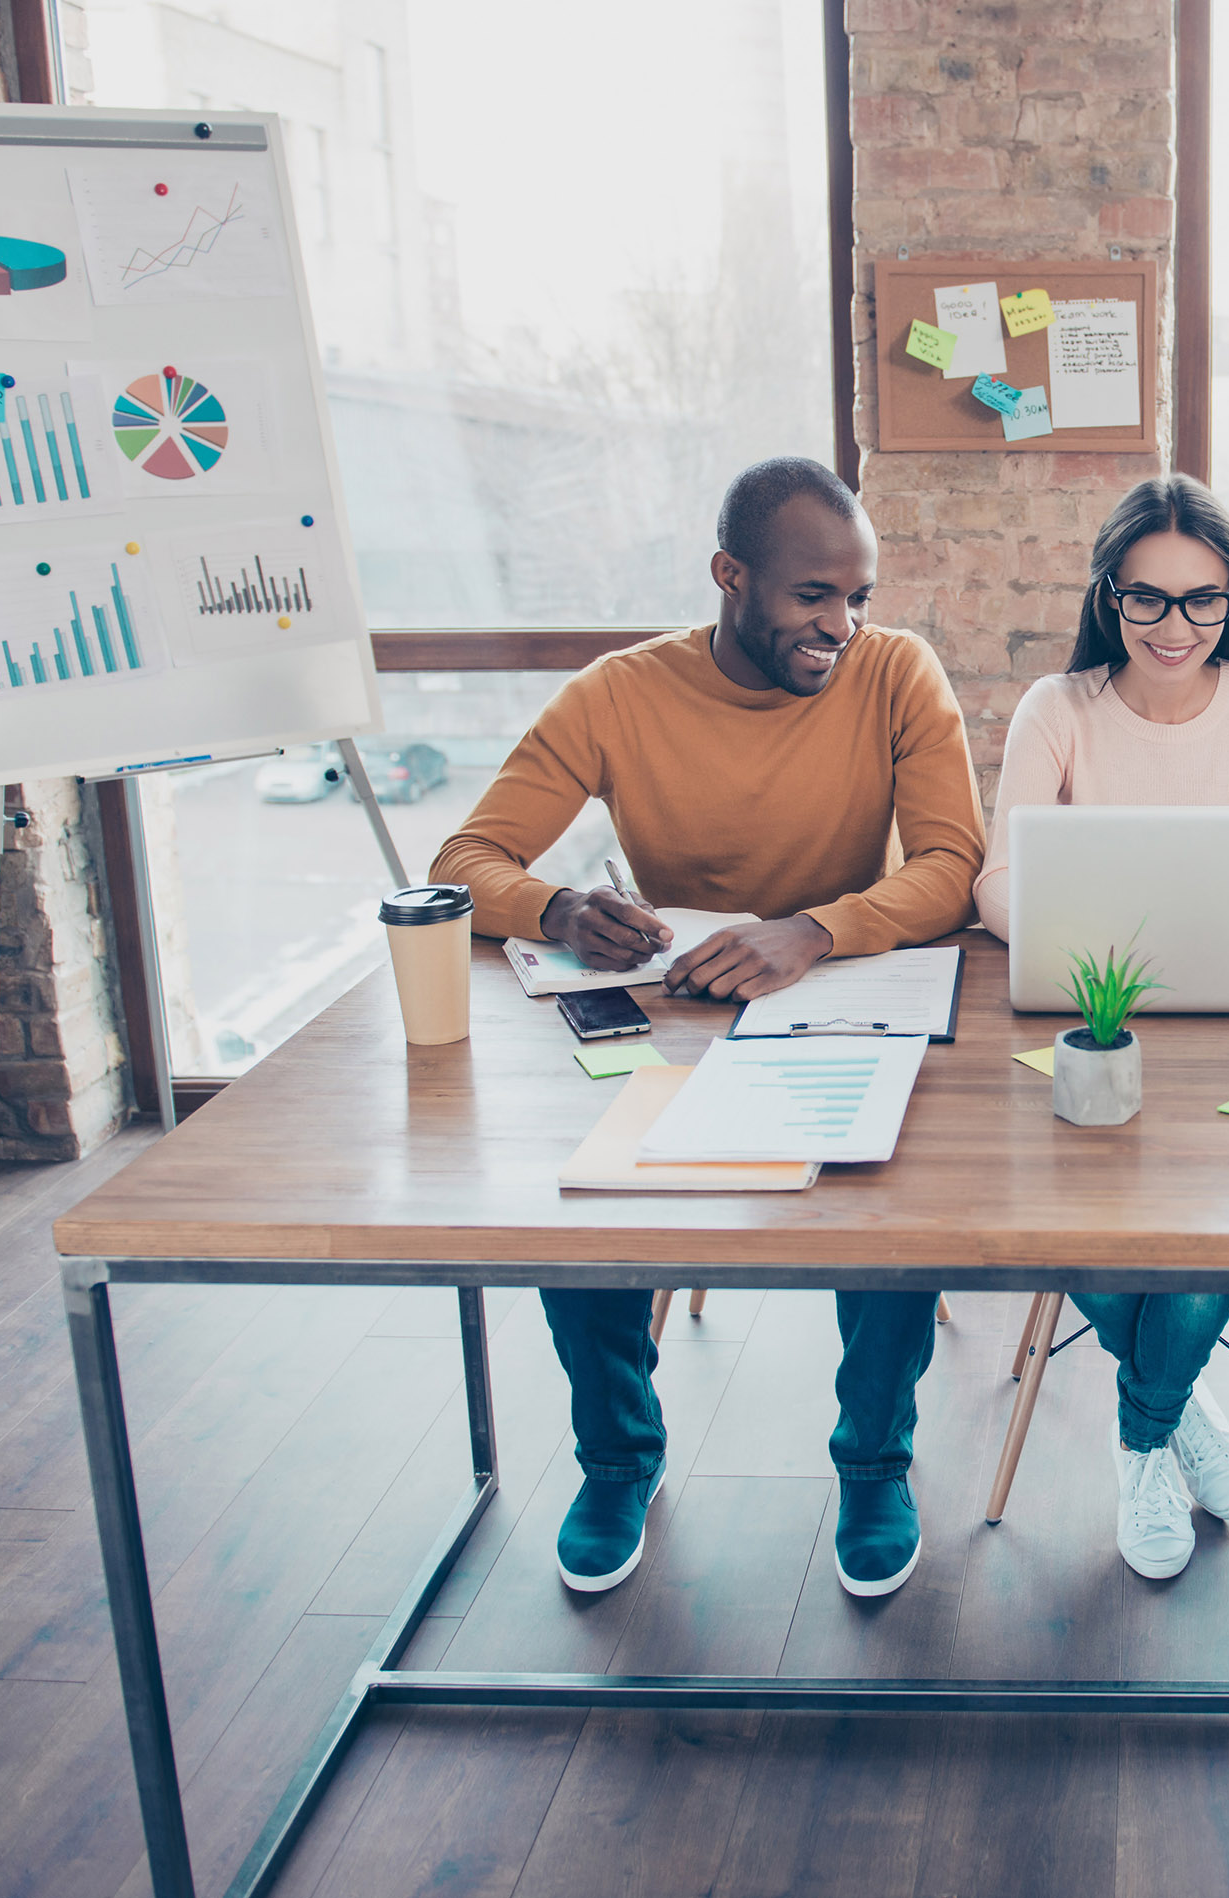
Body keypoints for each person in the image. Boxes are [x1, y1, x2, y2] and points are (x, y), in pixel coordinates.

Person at [431, 455, 982, 1602]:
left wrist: (819, 930)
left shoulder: (896, 676)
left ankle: (875, 1463)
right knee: (575, 1195)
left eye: (859, 597)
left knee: (893, 1200)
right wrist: (562, 906)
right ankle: (618, 1459)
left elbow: (949, 868)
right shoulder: (618, 694)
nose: (842, 624)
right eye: (811, 596)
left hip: (835, 996)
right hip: (676, 1012)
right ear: (731, 576)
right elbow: (463, 863)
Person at [976, 475, 1229, 1580]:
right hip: (1090, 1023)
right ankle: (1179, 1411)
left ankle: (1140, 1434)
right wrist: (1091, 958)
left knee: (1221, 1215)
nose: (1178, 629)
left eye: (1204, 601)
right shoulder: (1056, 709)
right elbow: (997, 886)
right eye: (1149, 601)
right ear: (1108, 597)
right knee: (1066, 1202)